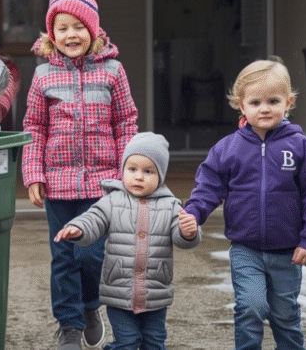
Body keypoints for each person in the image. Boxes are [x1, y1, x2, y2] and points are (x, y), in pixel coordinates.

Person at [182, 58, 306, 350]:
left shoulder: (300, 148)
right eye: (256, 102)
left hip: (288, 250)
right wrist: (193, 214)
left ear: (288, 102)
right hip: (245, 248)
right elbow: (209, 186)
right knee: (250, 308)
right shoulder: (228, 149)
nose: (264, 108)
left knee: (285, 315)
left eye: (273, 101)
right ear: (241, 104)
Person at [22, 0, 139, 350]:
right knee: (63, 258)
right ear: (51, 35)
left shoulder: (113, 72)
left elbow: (126, 122)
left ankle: (91, 306)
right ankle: (70, 326)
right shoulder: (43, 76)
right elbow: (33, 126)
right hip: (57, 184)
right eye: (62, 28)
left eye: (78, 27)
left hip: (102, 185)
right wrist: (33, 174)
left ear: (93, 30)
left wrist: (127, 172)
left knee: (91, 253)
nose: (71, 35)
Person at [55, 132, 201, 350]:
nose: (139, 176)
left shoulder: (171, 205)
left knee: (154, 343)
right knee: (128, 342)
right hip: (119, 292)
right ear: (122, 169)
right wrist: (78, 228)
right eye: (132, 169)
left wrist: (189, 232)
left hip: (155, 293)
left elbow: (181, 238)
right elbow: (93, 219)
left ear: (160, 176)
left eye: (148, 171)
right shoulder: (112, 201)